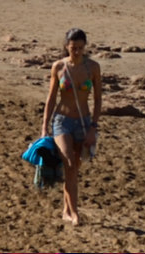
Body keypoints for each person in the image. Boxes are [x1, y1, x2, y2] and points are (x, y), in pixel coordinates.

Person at [42, 28, 103, 227]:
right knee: (68, 161)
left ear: (85, 47)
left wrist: (93, 128)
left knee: (74, 169)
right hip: (62, 121)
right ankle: (75, 213)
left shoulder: (92, 68)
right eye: (72, 48)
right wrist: (44, 127)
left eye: (79, 48)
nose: (75, 51)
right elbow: (51, 99)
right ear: (66, 46)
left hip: (83, 122)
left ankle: (66, 210)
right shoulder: (58, 67)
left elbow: (98, 99)